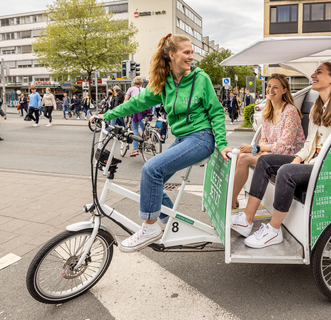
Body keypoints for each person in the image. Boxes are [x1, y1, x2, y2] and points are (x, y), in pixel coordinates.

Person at [90, 33, 233, 253]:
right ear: (171, 55)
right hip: (183, 138)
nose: (191, 57)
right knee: (151, 179)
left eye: (191, 52)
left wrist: (221, 144)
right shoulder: (164, 83)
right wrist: (106, 115)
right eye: (186, 52)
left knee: (151, 169)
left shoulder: (200, 78)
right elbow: (136, 103)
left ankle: (149, 228)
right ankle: (172, 224)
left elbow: (216, 112)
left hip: (202, 137)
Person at [231, 62, 331, 249]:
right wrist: (299, 158)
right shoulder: (317, 108)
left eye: (318, 72)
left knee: (286, 172)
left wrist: (302, 162)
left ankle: (273, 230)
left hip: (326, 165)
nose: (313, 74)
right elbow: (308, 143)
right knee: (264, 161)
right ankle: (247, 220)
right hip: (309, 160)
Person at [231, 74, 305, 209]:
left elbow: (285, 146)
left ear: (284, 90)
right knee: (240, 155)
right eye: (269, 86)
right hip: (273, 154)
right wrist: (259, 149)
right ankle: (232, 198)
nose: (271, 90)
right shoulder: (268, 112)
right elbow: (264, 140)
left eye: (275, 87)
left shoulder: (290, 111)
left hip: (292, 157)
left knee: (243, 158)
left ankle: (231, 200)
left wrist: (258, 149)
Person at [125, 76, 150, 157]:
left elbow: (126, 100)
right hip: (146, 109)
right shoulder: (144, 89)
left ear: (134, 83)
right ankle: (147, 132)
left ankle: (135, 149)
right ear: (141, 83)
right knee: (140, 120)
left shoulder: (131, 89)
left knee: (134, 128)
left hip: (136, 109)